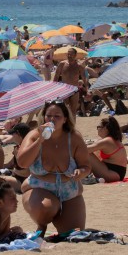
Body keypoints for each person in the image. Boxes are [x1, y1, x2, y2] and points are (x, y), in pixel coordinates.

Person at [16, 101, 90, 235]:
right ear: (43, 117)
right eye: (49, 116)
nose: (52, 119)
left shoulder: (74, 137)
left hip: (69, 190)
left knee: (74, 233)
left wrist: (81, 172)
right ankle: (42, 225)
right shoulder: (34, 135)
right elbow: (22, 163)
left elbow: (86, 166)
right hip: (40, 187)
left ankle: (61, 217)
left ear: (65, 119)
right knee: (46, 208)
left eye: (57, 116)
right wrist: (40, 141)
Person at [85, 116, 127, 182]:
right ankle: (87, 174)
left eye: (98, 127)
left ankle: (84, 174)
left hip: (111, 174)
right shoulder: (113, 140)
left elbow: (85, 150)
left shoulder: (107, 141)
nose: (97, 129)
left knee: (87, 153)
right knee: (95, 152)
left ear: (106, 128)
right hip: (117, 173)